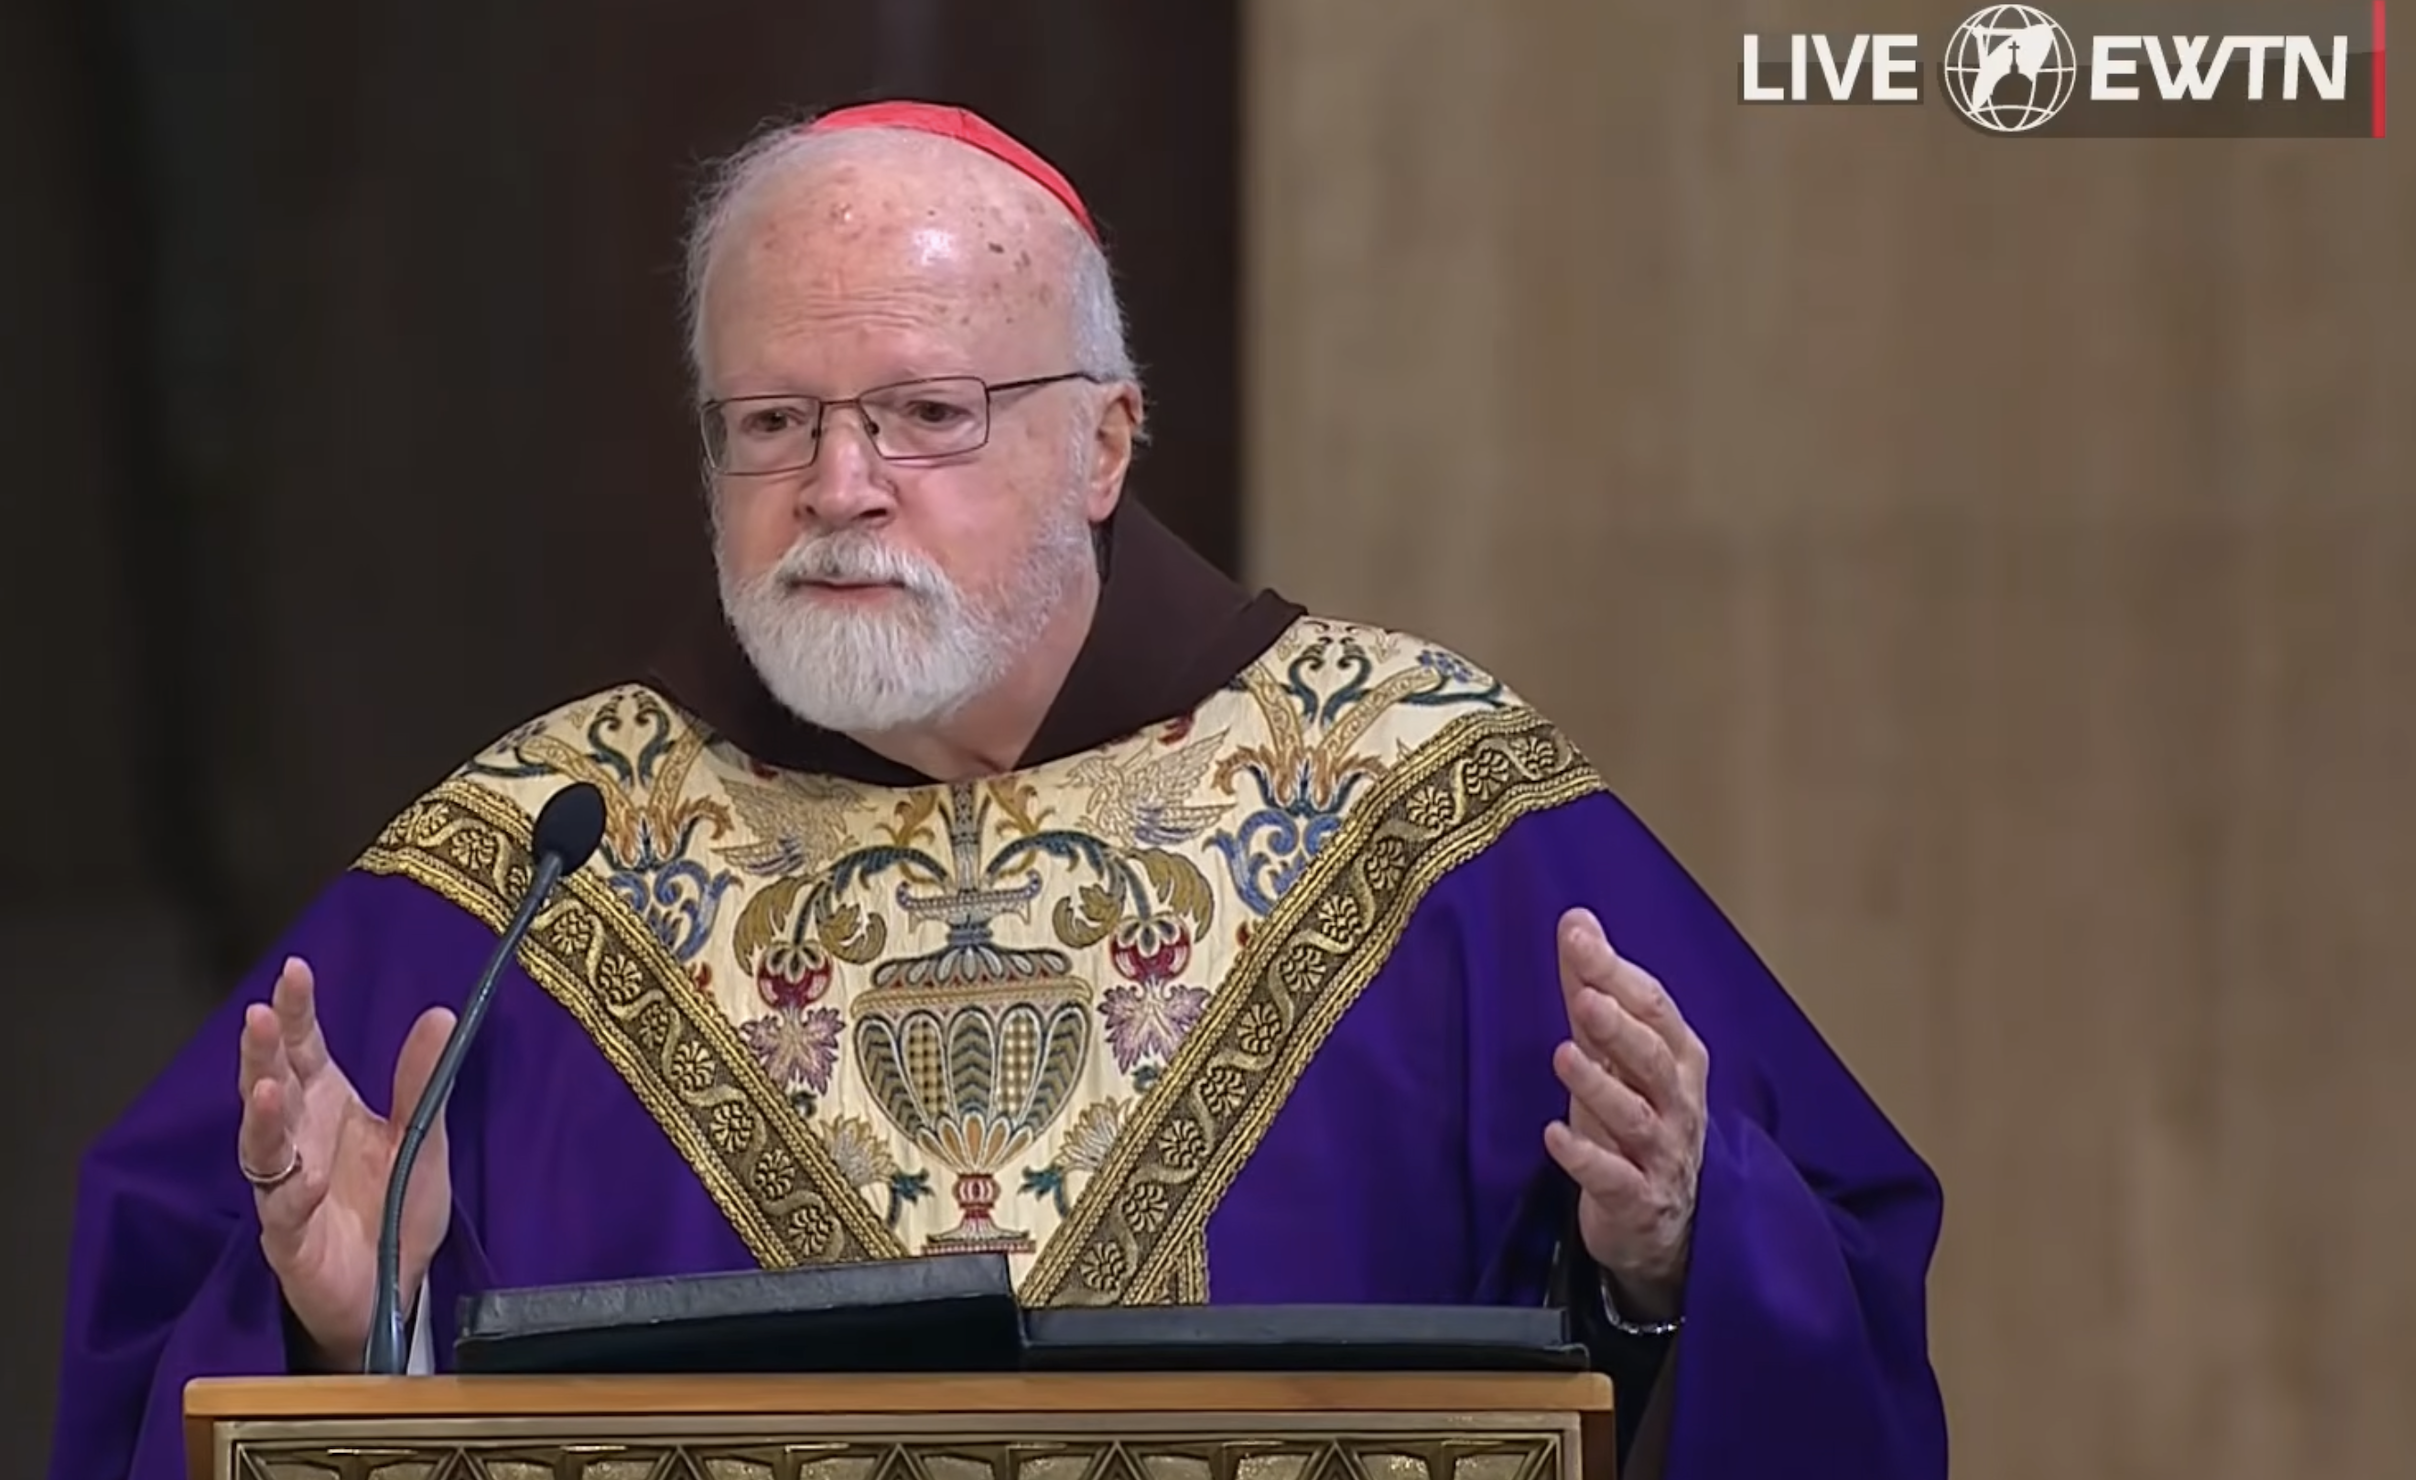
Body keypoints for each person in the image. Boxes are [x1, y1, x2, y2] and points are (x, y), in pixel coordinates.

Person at [48, 100, 1947, 1480]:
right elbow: (173, 1339)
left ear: (1106, 440)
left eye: (925, 413)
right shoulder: (542, 861)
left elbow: (1834, 1304)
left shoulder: (1431, 809)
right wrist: (337, 1323)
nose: (842, 485)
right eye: (771, 425)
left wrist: (1687, 1246)